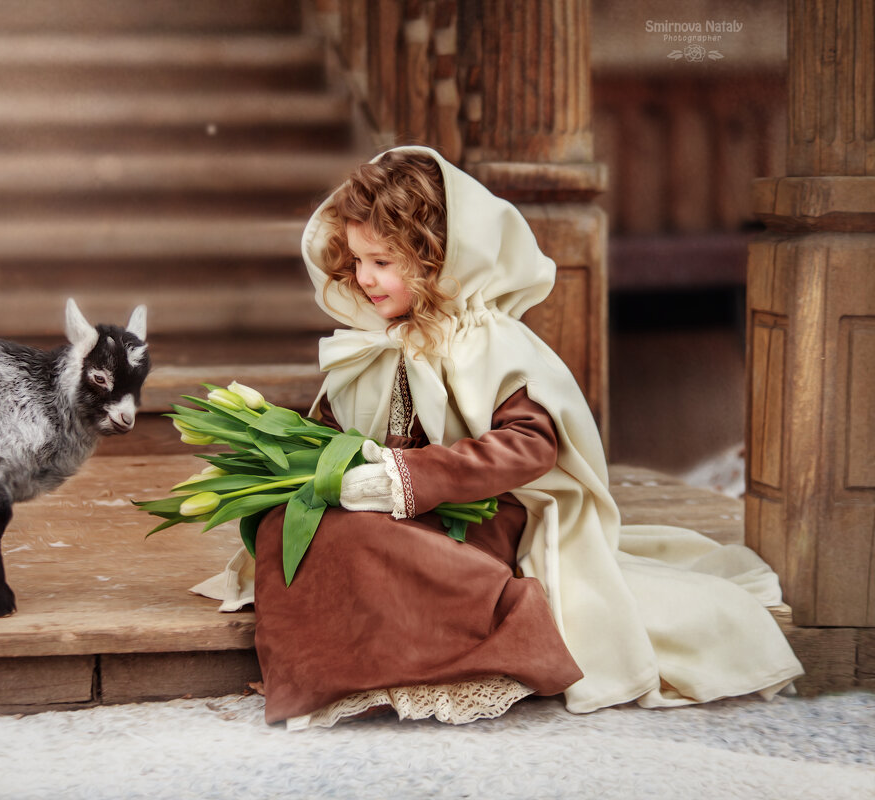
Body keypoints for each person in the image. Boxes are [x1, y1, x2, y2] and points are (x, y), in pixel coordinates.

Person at [195, 146, 803, 730]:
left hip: (482, 519)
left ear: (436, 257)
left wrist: (410, 478)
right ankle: (315, 668)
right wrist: (302, 465)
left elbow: (532, 443)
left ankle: (514, 629)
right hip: (399, 513)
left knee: (351, 543)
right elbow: (338, 430)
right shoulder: (373, 344)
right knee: (287, 524)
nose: (365, 278)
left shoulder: (485, 339)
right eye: (356, 261)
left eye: (383, 261)